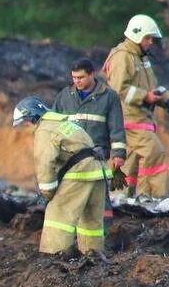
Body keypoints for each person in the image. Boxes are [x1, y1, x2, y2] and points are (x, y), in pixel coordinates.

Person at [12, 96, 109, 256]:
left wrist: (47, 193)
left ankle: (53, 256)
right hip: (97, 171)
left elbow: (44, 162)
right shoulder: (63, 122)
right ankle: (93, 254)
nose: (25, 127)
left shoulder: (44, 129)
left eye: (25, 122)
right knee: (91, 220)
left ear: (33, 117)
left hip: (80, 173)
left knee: (58, 215)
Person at [104, 14, 169, 198]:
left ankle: (125, 199)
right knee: (155, 153)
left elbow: (152, 86)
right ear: (136, 36)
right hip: (129, 119)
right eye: (147, 38)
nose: (150, 42)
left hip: (141, 118)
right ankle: (155, 197)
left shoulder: (141, 57)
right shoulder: (123, 57)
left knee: (131, 162)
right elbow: (119, 89)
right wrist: (145, 97)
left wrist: (168, 100)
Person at [52, 58, 126, 232]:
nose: (76, 81)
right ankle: (72, 237)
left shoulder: (108, 97)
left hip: (96, 159)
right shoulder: (64, 96)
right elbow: (53, 126)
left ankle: (105, 235)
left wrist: (119, 154)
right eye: (74, 78)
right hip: (70, 161)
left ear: (92, 74)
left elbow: (116, 127)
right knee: (70, 200)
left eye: (81, 77)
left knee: (99, 200)